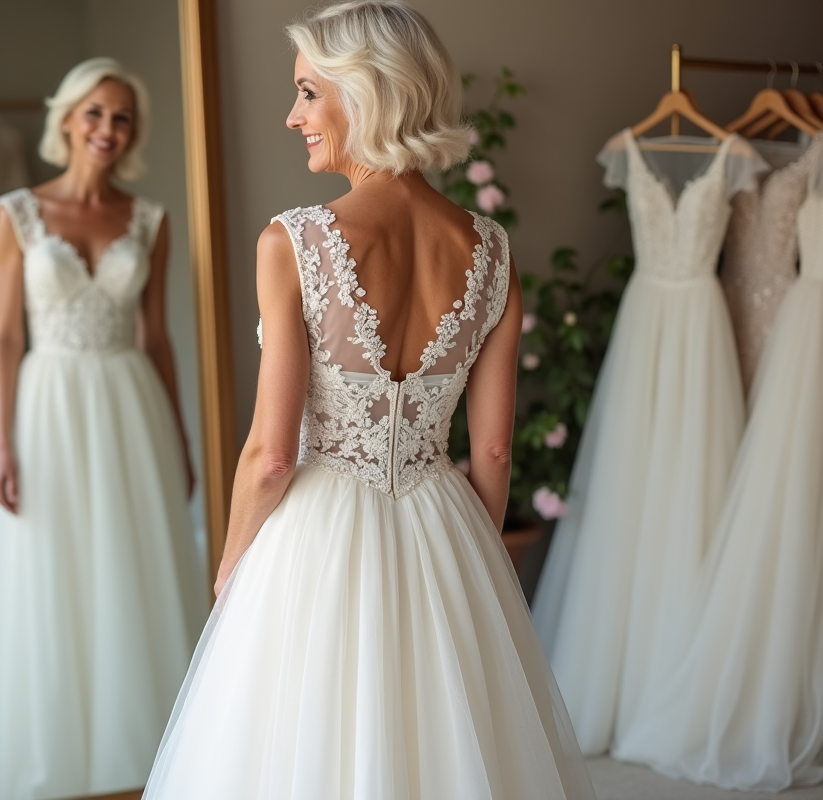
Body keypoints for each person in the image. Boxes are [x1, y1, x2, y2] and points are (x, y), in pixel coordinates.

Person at [141, 4, 596, 798]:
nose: (293, 116)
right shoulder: (490, 250)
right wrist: (475, 567)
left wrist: (230, 568)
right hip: (443, 518)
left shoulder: (293, 242)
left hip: (315, 536)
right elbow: (491, 451)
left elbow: (272, 455)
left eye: (310, 94)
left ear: (368, 93)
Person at [0, 57, 206, 800]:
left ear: (134, 133)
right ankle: (56, 754)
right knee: (53, 568)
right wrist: (3, 440)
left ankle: (147, 754)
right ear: (66, 120)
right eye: (94, 112)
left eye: (122, 117)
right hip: (49, 401)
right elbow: (4, 335)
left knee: (135, 566)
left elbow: (158, 338)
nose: (107, 128)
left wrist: (183, 439)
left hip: (132, 403)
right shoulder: (18, 213)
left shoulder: (149, 219)